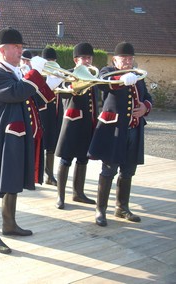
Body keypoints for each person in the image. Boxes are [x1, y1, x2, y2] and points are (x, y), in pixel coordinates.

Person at [0, 27, 54, 254]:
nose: (21, 50)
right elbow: (16, 93)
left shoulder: (17, 74)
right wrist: (34, 73)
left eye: (21, 46)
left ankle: (10, 224)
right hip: (3, 138)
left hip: (19, 136)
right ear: (2, 50)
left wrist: (49, 81)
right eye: (16, 47)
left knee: (12, 182)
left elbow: (36, 99)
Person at [88, 42, 152, 227]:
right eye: (123, 58)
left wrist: (145, 107)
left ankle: (122, 207)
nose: (127, 61)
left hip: (134, 129)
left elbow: (147, 96)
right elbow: (105, 84)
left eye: (130, 58)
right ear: (115, 59)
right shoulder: (107, 71)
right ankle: (100, 210)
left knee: (128, 171)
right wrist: (123, 78)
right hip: (114, 130)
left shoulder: (138, 76)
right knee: (108, 171)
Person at [54, 43, 98, 209]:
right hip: (72, 122)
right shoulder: (69, 74)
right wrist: (72, 87)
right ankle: (60, 196)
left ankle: (78, 193)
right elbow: (60, 90)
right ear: (75, 60)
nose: (87, 61)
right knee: (66, 159)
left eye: (89, 57)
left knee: (82, 159)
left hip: (88, 122)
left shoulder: (94, 75)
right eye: (84, 58)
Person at [40, 47, 63, 186]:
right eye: (49, 60)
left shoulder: (58, 73)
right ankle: (34, 173)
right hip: (42, 113)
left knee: (51, 145)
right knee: (39, 145)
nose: (51, 62)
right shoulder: (40, 75)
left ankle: (49, 174)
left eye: (53, 60)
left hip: (55, 113)